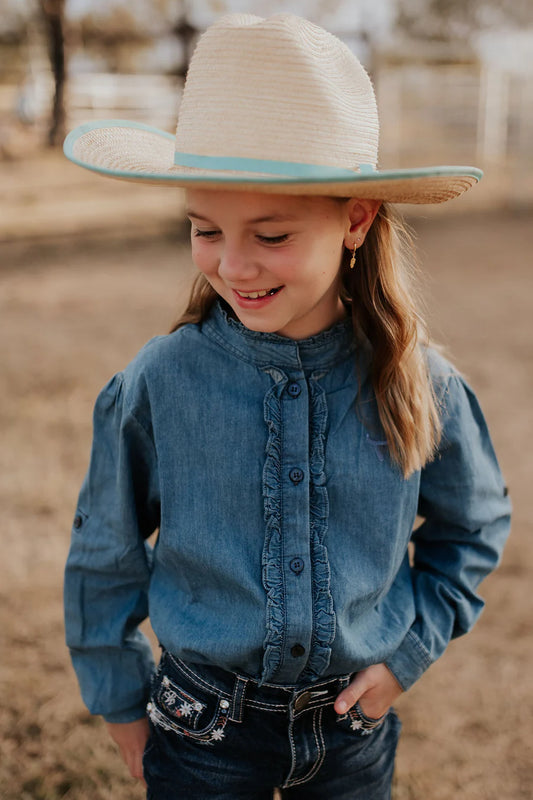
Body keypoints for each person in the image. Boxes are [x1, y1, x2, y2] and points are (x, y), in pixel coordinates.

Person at [63, 13, 511, 800]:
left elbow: (470, 528)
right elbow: (105, 547)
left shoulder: (419, 382)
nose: (233, 265)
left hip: (352, 737)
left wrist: (404, 659)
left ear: (355, 220)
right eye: (204, 230)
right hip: (200, 730)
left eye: (269, 234)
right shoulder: (161, 379)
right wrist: (117, 696)